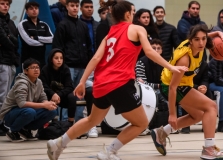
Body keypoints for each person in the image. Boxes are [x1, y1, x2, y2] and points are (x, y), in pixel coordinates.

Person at [46, 1, 187, 160]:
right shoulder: (137, 29)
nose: (134, 14)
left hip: (101, 83)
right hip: (120, 83)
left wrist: (82, 81)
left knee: (92, 119)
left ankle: (58, 143)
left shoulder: (110, 34)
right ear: (127, 14)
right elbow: (148, 51)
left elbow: (96, 58)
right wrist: (171, 67)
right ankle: (109, 151)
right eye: (133, 12)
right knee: (141, 123)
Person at [150, 24, 223, 160]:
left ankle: (161, 133)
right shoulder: (185, 59)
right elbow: (172, 87)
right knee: (211, 106)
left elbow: (204, 36)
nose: (201, 43)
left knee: (198, 115)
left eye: (204, 39)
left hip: (182, 85)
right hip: (170, 86)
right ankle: (209, 149)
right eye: (197, 40)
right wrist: (172, 113)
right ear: (191, 40)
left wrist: (218, 34)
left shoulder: (199, 44)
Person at [52, 0, 93, 122]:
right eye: (72, 6)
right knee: (67, 94)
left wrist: (88, 62)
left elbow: (89, 46)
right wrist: (61, 64)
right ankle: (65, 122)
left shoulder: (83, 25)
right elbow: (57, 46)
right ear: (67, 7)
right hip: (68, 65)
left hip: (82, 65)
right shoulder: (62, 25)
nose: (74, 8)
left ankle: (79, 121)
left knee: (80, 94)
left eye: (76, 6)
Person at [0, 58, 57, 142]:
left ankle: (25, 129)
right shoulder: (21, 82)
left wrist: (49, 104)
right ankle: (12, 130)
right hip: (10, 114)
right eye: (32, 67)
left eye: (37, 67)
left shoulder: (39, 82)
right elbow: (22, 104)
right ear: (25, 71)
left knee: (52, 111)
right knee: (30, 112)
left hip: (26, 111)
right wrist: (44, 105)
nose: (36, 70)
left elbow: (43, 98)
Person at [39, 48, 77, 125]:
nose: (59, 60)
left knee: (72, 97)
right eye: (56, 58)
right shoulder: (45, 69)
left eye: (61, 58)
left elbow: (69, 87)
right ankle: (43, 124)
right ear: (51, 59)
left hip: (62, 96)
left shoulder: (65, 69)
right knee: (41, 96)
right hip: (49, 96)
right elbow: (43, 86)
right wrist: (53, 94)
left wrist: (58, 95)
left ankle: (70, 123)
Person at [0, 0, 20, 136]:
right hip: (2, 61)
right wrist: (9, 39)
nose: (5, 6)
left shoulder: (11, 23)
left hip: (11, 61)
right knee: (2, 95)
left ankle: (2, 123)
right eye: (2, 3)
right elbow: (3, 39)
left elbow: (16, 42)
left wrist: (9, 38)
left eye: (7, 4)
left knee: (6, 96)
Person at [18, 1, 54, 69]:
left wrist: (36, 37)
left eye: (36, 8)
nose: (34, 10)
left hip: (41, 61)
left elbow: (52, 39)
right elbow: (29, 41)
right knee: (27, 80)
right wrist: (43, 42)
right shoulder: (22, 24)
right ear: (27, 12)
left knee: (41, 79)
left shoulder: (44, 25)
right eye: (31, 9)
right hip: (27, 61)